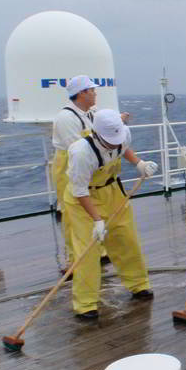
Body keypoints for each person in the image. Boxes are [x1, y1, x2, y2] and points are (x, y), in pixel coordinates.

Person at [63, 109, 156, 319]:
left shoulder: (122, 135)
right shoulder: (81, 153)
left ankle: (139, 284)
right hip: (83, 199)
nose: (115, 143)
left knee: (126, 239)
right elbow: (79, 191)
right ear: (96, 134)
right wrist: (97, 220)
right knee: (87, 252)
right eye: (110, 141)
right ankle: (85, 304)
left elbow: (123, 149)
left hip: (113, 191)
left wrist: (139, 164)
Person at [52, 75, 130, 270]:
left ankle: (99, 251)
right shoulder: (66, 118)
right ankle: (74, 260)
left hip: (91, 165)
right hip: (69, 165)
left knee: (94, 208)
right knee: (72, 214)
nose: (95, 93)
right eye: (92, 90)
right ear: (81, 93)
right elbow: (78, 147)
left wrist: (116, 122)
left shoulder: (92, 113)